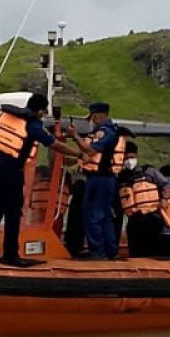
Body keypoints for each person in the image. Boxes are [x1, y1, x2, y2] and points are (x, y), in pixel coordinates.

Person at [0, 93, 81, 266]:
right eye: (44, 110)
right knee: (13, 212)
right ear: (39, 110)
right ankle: (10, 254)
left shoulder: (5, 118)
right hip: (10, 172)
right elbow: (54, 144)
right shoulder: (32, 125)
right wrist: (79, 154)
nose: (44, 113)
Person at [65, 102, 123, 259]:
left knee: (93, 216)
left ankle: (97, 252)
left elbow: (90, 151)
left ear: (96, 115)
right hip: (106, 179)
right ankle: (111, 251)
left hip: (99, 179)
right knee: (105, 217)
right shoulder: (112, 130)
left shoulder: (105, 132)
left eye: (91, 117)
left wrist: (75, 136)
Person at [120, 163, 170, 258]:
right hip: (134, 218)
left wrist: (164, 199)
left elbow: (166, 185)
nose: (128, 161)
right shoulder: (122, 176)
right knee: (135, 250)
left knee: (152, 247)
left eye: (131, 157)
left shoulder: (149, 171)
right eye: (125, 158)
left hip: (152, 215)